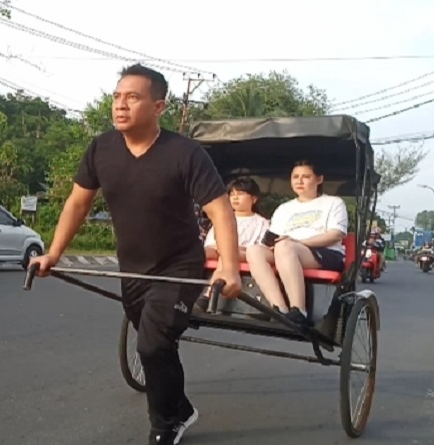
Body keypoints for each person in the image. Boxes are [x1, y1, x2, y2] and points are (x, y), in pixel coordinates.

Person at [28, 64, 242, 445]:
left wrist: (228, 266)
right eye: (116, 96)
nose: (120, 105)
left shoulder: (185, 153)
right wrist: (53, 253)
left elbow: (219, 210)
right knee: (153, 343)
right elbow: (78, 203)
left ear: (158, 106)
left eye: (133, 97)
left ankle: (165, 427)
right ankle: (182, 408)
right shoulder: (102, 149)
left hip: (179, 266)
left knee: (153, 344)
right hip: (133, 268)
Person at [245, 160, 348, 326]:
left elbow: (336, 234)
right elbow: (274, 238)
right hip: (286, 251)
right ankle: (279, 308)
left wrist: (297, 242)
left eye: (306, 177)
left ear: (319, 179)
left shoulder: (334, 203)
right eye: (295, 177)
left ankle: (299, 309)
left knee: (285, 247)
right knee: (254, 251)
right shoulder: (284, 208)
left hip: (324, 253)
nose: (299, 181)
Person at [197, 177, 270, 307]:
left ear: (253, 199)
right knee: (197, 252)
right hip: (216, 248)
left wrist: (228, 248)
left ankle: (207, 295)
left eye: (241, 194)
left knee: (228, 252)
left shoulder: (262, 223)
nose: (235, 198)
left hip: (242, 252)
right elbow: (210, 242)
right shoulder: (222, 218)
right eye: (232, 194)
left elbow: (260, 246)